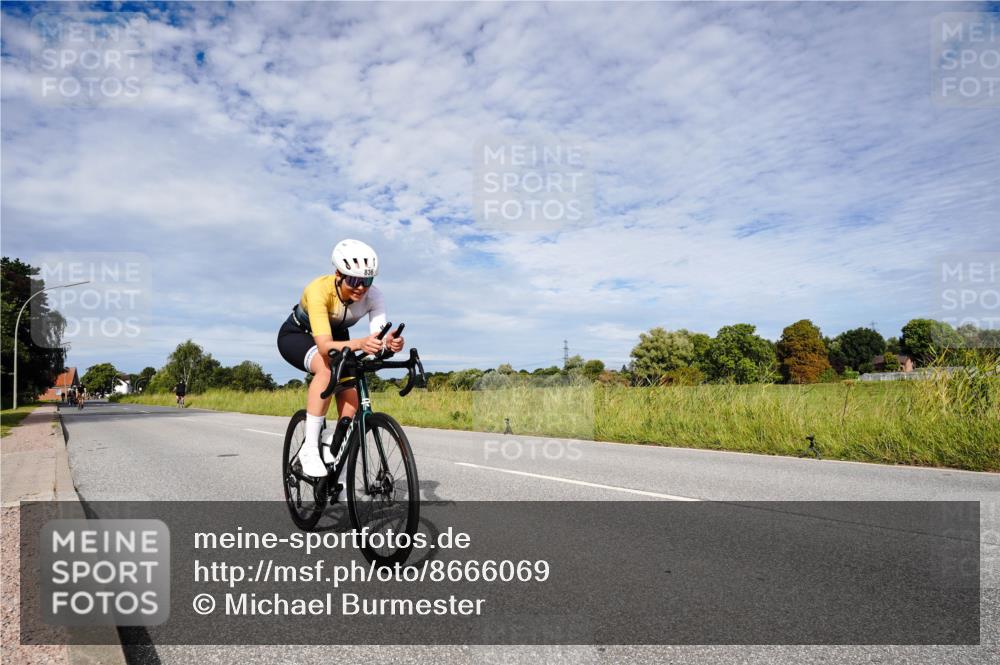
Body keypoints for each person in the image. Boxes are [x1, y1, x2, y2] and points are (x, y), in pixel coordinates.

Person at [277, 239, 404, 477]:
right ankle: (310, 448)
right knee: (326, 369)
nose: (361, 288)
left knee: (351, 387)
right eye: (355, 280)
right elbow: (324, 347)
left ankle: (333, 446)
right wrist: (358, 343)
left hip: (339, 338)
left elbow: (377, 337)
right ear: (338, 273)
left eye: (367, 281)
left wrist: (390, 344)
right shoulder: (318, 290)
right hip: (298, 336)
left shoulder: (374, 296)